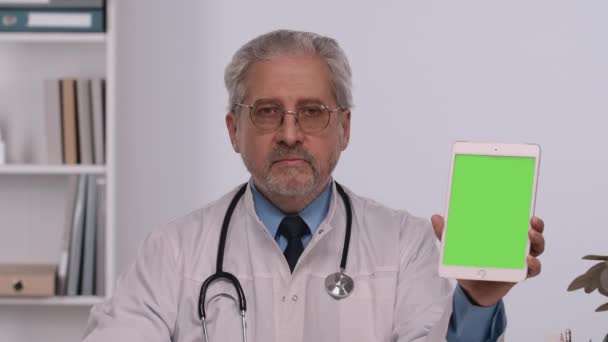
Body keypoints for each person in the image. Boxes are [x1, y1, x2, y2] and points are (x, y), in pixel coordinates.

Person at [82, 29, 545, 342]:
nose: (288, 133)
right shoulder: (174, 251)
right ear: (232, 130)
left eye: (311, 111)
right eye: (266, 111)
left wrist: (477, 303)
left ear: (344, 127)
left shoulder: (406, 246)